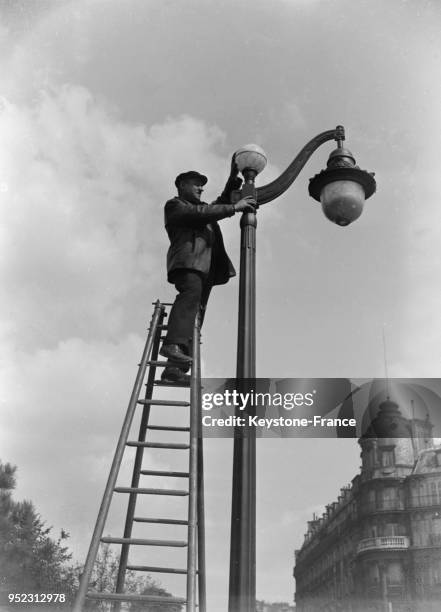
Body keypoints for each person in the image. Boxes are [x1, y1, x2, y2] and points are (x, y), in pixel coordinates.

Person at [159, 162, 256, 383]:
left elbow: (216, 205)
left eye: (202, 186)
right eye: (196, 184)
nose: (201, 188)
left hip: (205, 270)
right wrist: (234, 208)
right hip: (189, 264)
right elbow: (203, 212)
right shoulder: (175, 206)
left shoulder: (201, 209)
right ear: (182, 185)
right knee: (190, 297)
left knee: (196, 314)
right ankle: (172, 344)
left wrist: (233, 179)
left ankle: (174, 370)